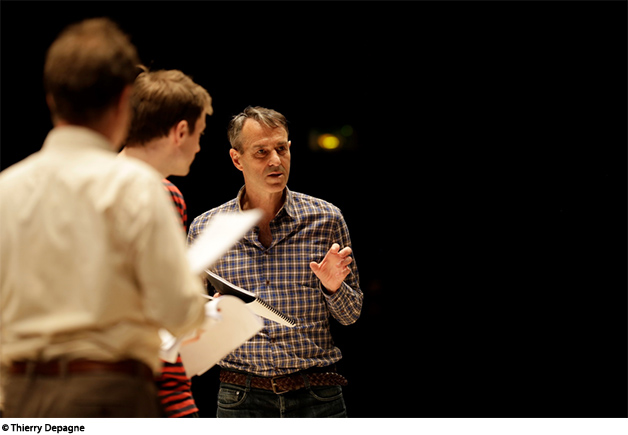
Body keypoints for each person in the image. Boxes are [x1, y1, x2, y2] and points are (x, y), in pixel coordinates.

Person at [0, 18, 207, 418]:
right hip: (110, 393)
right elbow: (177, 311)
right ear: (124, 100)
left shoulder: (6, 189)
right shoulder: (136, 186)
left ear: (51, 99)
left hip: (21, 396)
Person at [188, 106, 363, 418]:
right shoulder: (206, 228)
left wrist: (333, 288)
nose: (275, 161)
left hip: (316, 394)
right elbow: (186, 321)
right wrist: (210, 313)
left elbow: (350, 315)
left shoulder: (326, 218)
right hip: (240, 396)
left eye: (281, 149)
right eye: (261, 152)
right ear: (237, 159)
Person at [120, 67, 213, 418]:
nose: (199, 147)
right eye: (200, 133)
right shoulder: (161, 193)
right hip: (154, 383)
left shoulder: (86, 183)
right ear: (181, 132)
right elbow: (165, 305)